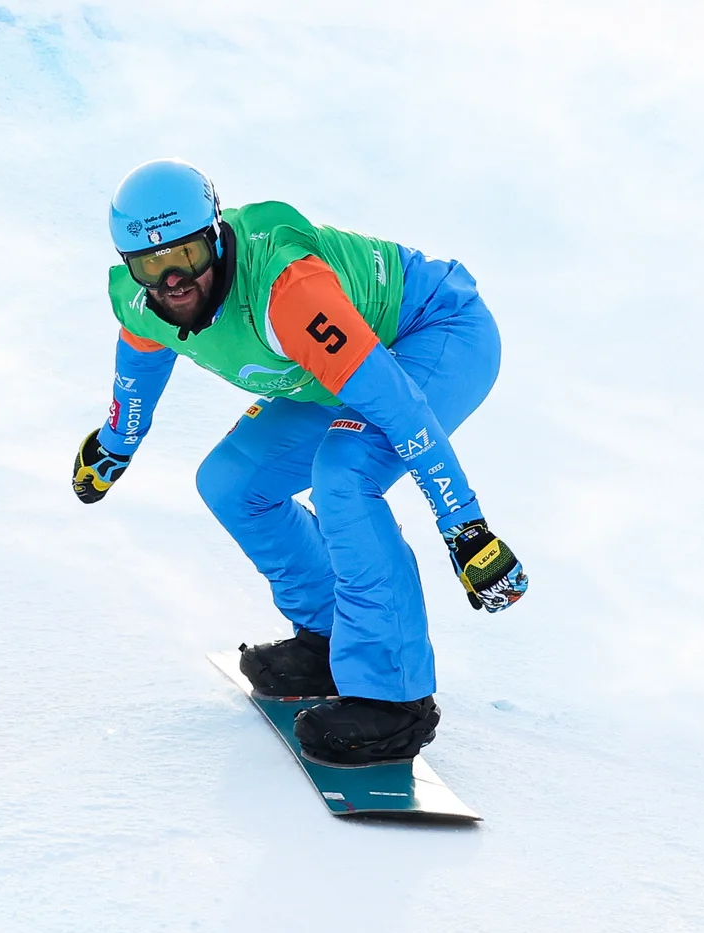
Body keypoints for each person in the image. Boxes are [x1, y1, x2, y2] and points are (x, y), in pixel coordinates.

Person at [73, 160, 529, 764]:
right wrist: (113, 447)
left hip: (431, 334)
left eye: (187, 255)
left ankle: (393, 698)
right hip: (330, 370)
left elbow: (402, 411)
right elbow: (139, 375)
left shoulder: (290, 295)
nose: (174, 280)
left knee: (344, 474)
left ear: (215, 235)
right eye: (152, 265)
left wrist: (466, 530)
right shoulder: (141, 300)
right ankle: (335, 637)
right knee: (232, 483)